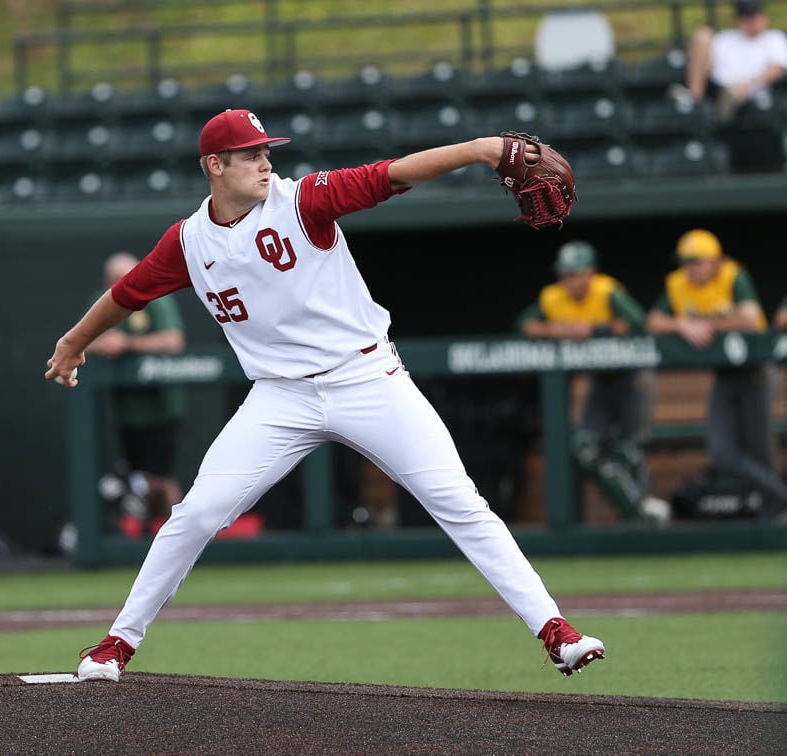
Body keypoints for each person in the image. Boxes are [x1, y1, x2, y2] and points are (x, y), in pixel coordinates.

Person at [46, 109, 605, 682]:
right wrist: (73, 342)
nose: (266, 163)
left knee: (459, 502)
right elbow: (128, 293)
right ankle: (118, 641)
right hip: (279, 398)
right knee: (194, 514)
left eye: (267, 152)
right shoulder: (188, 241)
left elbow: (394, 174)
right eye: (250, 155)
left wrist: (483, 147)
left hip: (366, 379)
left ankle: (555, 631)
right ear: (214, 165)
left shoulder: (304, 200)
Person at [516, 240, 668, 523]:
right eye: (566, 274)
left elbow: (634, 323)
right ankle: (637, 512)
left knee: (628, 447)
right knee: (586, 447)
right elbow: (526, 325)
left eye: (576, 273)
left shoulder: (607, 290)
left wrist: (594, 329)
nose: (570, 280)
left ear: (591, 272)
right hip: (598, 380)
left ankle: (642, 511)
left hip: (629, 375)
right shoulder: (553, 296)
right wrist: (559, 330)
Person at [645, 228, 787, 513]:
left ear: (714, 261)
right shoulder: (678, 283)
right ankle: (782, 499)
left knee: (761, 450)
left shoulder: (733, 275)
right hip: (724, 374)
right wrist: (683, 325)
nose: (690, 268)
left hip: (755, 371)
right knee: (722, 453)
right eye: (686, 261)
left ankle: (773, 517)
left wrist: (708, 325)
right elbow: (653, 321)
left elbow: (749, 318)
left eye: (696, 261)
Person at [85, 251, 187, 538]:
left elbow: (173, 341)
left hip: (161, 407)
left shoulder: (156, 298)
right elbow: (79, 341)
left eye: (128, 278)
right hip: (126, 410)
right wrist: (104, 344)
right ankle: (145, 537)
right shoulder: (101, 303)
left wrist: (128, 343)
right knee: (136, 480)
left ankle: (178, 537)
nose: (124, 285)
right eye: (116, 280)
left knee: (159, 479)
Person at [672, 0, 787, 122]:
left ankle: (717, 114)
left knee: (733, 93)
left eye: (755, 17)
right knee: (703, 35)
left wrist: (748, 85)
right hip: (716, 87)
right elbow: (705, 62)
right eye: (747, 18)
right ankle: (694, 99)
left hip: (752, 92)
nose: (752, 22)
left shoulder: (774, 39)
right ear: (739, 20)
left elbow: (776, 69)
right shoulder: (726, 39)